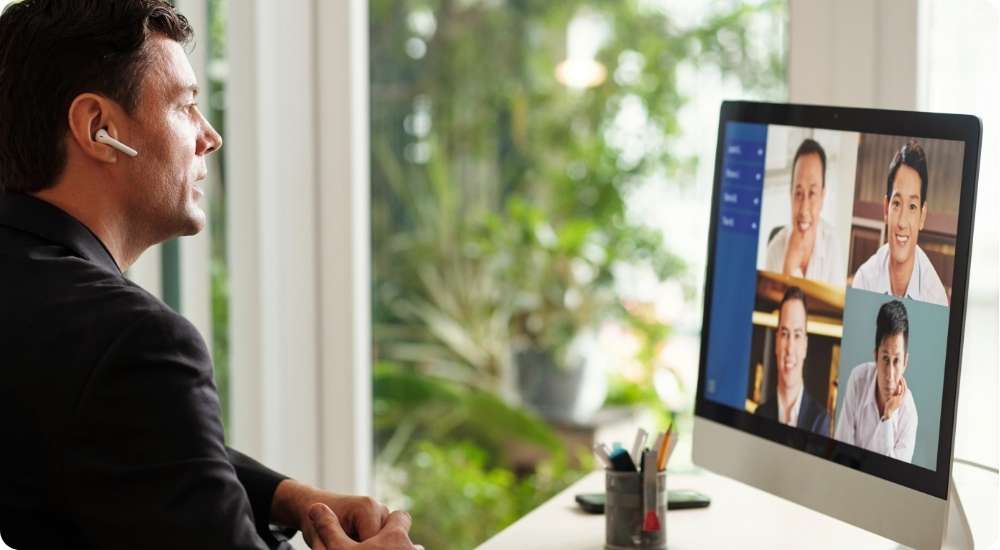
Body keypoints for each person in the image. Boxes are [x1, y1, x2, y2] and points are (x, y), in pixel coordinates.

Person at [0, 1, 418, 549]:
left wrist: (288, 496)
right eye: (186, 106)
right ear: (99, 128)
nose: (210, 136)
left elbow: (129, 440)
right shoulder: (135, 342)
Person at [852, 140, 949, 306]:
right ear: (885, 209)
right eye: (896, 204)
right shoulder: (865, 281)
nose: (902, 222)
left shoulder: (935, 299)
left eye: (912, 206)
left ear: (922, 216)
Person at [835, 301, 918, 463]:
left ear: (905, 362)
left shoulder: (909, 413)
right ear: (875, 356)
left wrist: (888, 416)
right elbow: (842, 449)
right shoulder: (858, 379)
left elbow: (894, 476)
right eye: (885, 359)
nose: (890, 374)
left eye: (896, 361)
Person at [765, 138, 844, 286]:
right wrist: (788, 269)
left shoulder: (832, 244)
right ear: (790, 195)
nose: (803, 209)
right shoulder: (774, 250)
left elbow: (837, 308)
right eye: (798, 193)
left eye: (812, 193)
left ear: (822, 196)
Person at [755, 287, 830, 436]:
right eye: (784, 334)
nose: (790, 348)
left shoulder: (820, 421)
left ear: (805, 346)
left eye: (797, 335)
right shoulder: (759, 416)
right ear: (776, 342)